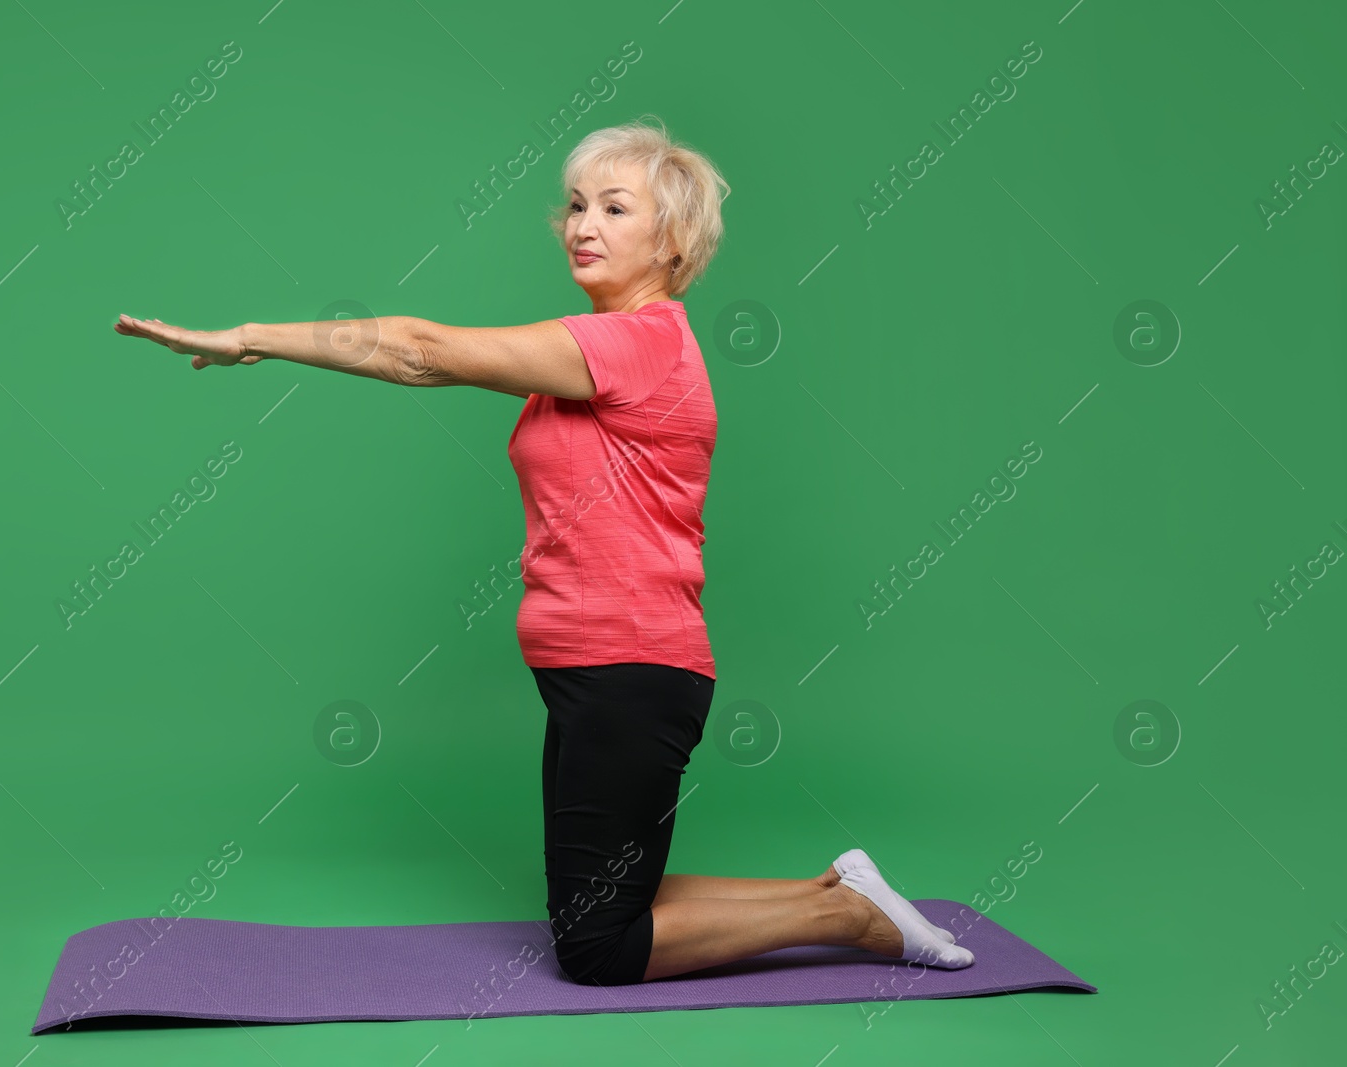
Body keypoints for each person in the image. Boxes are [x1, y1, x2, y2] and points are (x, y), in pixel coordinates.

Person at [114, 115, 973, 986]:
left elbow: (423, 353)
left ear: (672, 242)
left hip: (631, 664)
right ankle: (840, 890)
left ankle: (850, 917)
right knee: (598, 898)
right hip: (590, 665)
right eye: (574, 205)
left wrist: (253, 336)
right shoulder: (597, 349)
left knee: (597, 947)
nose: (583, 225)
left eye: (614, 207)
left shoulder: (639, 343)